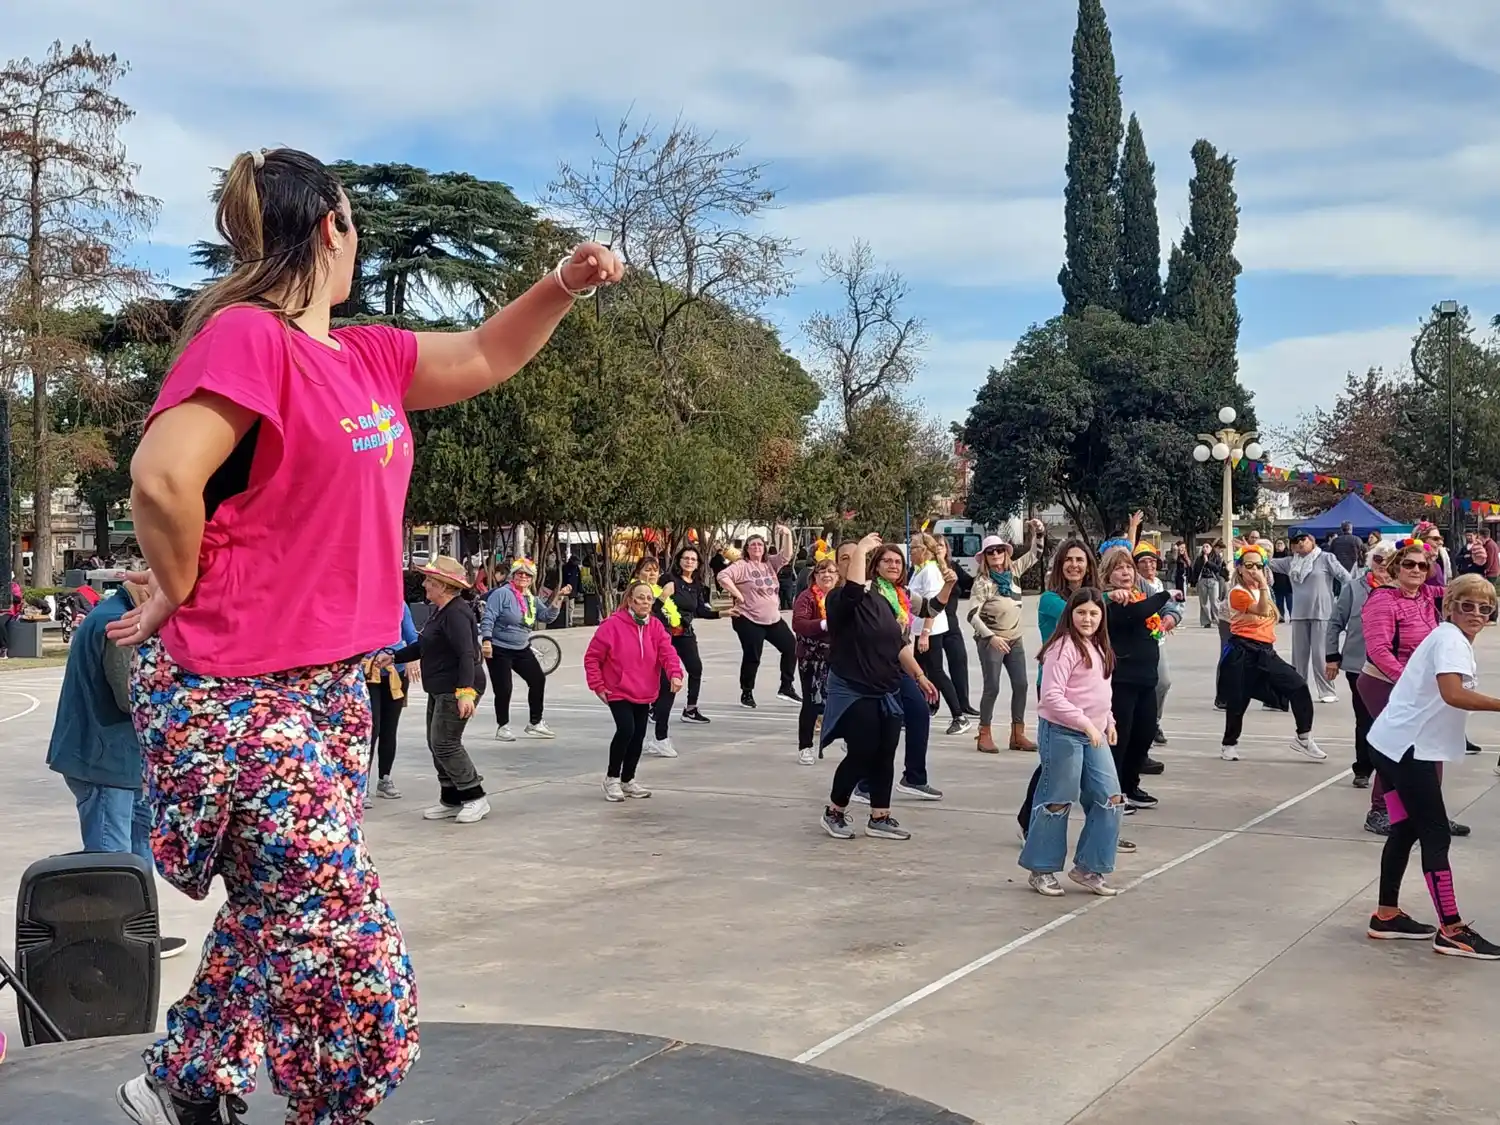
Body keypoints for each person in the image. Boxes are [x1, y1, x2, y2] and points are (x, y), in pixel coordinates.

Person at [108, 146, 623, 1125]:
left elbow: (481, 354)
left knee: (282, 910)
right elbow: (162, 479)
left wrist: (560, 284)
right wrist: (179, 583)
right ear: (334, 227)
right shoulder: (250, 339)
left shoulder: (369, 355)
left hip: (331, 690)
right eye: (354, 229)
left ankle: (180, 1088)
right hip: (237, 695)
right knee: (347, 929)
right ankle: (322, 1097)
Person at [45, 580, 188, 959]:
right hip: (103, 762)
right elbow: (130, 697)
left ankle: (138, 940)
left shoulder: (126, 614)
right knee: (111, 860)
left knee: (139, 854)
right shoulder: (118, 622)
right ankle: (111, 952)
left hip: (127, 762)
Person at [1363, 574, 1500, 959]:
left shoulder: (1446, 637)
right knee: (1435, 833)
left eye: (1485, 607)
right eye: (1466, 605)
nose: (1476, 613)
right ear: (1450, 606)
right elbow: (1453, 694)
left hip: (1387, 744)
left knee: (1405, 829)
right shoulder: (1451, 641)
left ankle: (1386, 915)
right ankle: (1452, 930)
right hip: (1407, 751)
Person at [820, 534, 941, 841]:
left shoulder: (882, 602)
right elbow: (852, 591)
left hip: (885, 687)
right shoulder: (838, 600)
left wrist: (919, 675)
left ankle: (880, 816)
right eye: (845, 558)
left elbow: (897, 644)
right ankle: (834, 810)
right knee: (862, 752)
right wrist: (861, 548)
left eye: (856, 558)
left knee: (885, 752)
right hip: (854, 687)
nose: (852, 562)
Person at [1020, 587, 1125, 897]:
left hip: (1094, 732)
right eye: (1081, 613)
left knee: (1111, 798)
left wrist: (1108, 722)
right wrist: (1084, 724)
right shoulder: (1062, 647)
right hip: (1062, 732)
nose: (1088, 619)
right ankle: (1042, 868)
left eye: (1094, 613)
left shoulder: (1100, 645)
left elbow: (1099, 692)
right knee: (1057, 799)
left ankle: (1089, 867)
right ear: (1070, 615)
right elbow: (1052, 697)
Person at [847, 542, 957, 806]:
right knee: (880, 729)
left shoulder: (902, 594)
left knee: (919, 711)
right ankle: (863, 784)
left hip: (898, 666)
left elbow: (930, 609)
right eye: (887, 561)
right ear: (876, 565)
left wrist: (948, 585)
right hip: (872, 671)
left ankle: (914, 778)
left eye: (897, 561)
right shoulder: (869, 592)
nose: (893, 565)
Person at [386, 557, 489, 824]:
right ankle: (452, 798)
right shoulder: (441, 611)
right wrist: (393, 657)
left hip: (457, 686)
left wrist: (466, 692)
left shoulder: (456, 613)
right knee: (436, 744)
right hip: (440, 686)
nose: (424, 584)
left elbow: (467, 654)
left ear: (443, 586)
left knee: (446, 743)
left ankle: (475, 797)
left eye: (430, 581)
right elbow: (424, 645)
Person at [1217, 545, 1324, 762]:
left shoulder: (1263, 590)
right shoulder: (1237, 592)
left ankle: (1303, 737)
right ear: (1239, 569)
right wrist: (1264, 584)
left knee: (1298, 685)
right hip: (1243, 650)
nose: (1254, 569)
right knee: (1239, 701)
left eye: (1259, 565)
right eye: (1249, 565)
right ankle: (1229, 743)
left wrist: (1264, 585)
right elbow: (1262, 610)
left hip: (1266, 651)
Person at [585, 580, 684, 802]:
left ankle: (628, 779)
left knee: (638, 735)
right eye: (640, 597)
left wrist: (675, 674)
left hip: (645, 689)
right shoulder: (612, 625)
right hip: (617, 689)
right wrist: (597, 685)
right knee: (626, 730)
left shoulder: (656, 626)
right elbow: (592, 657)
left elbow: (667, 653)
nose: (645, 602)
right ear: (630, 600)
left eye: (649, 598)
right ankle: (612, 778)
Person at [1098, 547, 1172, 809]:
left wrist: (1170, 612)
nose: (1126, 572)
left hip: (1146, 678)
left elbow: (1156, 615)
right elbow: (1137, 613)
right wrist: (1166, 595)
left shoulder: (1139, 595)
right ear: (1108, 573)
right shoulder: (1111, 601)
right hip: (1123, 680)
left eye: (1129, 567)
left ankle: (1130, 785)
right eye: (1119, 568)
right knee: (1121, 737)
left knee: (1144, 733)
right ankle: (1113, 791)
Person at [967, 522, 1045, 754]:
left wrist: (1038, 532)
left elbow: (1036, 554)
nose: (996, 555)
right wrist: (991, 637)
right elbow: (972, 615)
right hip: (992, 640)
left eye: (999, 550)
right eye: (990, 552)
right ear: (984, 558)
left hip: (1015, 638)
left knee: (1021, 684)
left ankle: (1017, 734)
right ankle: (984, 733)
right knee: (992, 687)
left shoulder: (1014, 573)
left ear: (1005, 552)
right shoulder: (983, 583)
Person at [1325, 543, 1395, 791]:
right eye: (1378, 558)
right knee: (1364, 718)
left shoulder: (1403, 590)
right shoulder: (1354, 588)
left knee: (1390, 719)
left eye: (1390, 559)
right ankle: (1363, 768)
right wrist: (1332, 657)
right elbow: (1335, 623)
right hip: (1359, 665)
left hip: (1394, 667)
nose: (1384, 564)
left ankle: (1389, 767)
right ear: (1369, 560)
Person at [481, 558, 568, 742]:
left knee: (537, 679)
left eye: (527, 575)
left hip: (521, 647)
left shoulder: (531, 598)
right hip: (499, 647)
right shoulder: (502, 594)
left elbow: (546, 617)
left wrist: (558, 599)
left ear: (532, 579)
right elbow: (489, 617)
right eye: (520, 573)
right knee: (504, 688)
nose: (523, 577)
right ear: (513, 576)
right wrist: (487, 640)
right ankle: (502, 726)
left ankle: (535, 723)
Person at [647, 545, 722, 755]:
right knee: (667, 679)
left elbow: (699, 609)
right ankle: (655, 711)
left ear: (697, 564)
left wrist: (721, 614)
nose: (689, 562)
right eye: (686, 558)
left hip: (685, 633)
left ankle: (690, 708)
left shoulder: (696, 584)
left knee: (695, 668)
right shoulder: (669, 580)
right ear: (679, 561)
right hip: (665, 633)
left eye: (693, 559)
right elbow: (656, 607)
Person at [716, 523, 800, 708]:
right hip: (748, 618)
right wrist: (737, 594)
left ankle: (786, 686)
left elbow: (786, 555)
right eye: (752, 545)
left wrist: (786, 534)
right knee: (753, 655)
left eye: (760, 545)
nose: (756, 548)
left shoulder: (770, 564)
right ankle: (747, 692)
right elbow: (723, 576)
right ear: (746, 548)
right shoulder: (741, 565)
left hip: (772, 618)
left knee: (791, 647)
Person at [1268, 530, 1350, 703]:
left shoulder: (1326, 558)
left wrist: (1345, 599)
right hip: (1299, 613)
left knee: (1320, 654)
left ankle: (1327, 690)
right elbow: (1268, 562)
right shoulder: (1291, 562)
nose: (1300, 543)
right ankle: (1298, 689)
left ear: (1312, 541)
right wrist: (1253, 549)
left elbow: (1345, 577)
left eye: (1303, 540)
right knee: (1299, 656)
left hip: (1322, 612)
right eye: (1295, 541)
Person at [910, 533, 971, 736]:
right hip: (920, 629)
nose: (911, 552)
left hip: (931, 630)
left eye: (914, 548)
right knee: (918, 671)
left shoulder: (930, 571)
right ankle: (923, 708)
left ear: (925, 551)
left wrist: (926, 633)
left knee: (935, 671)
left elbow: (934, 605)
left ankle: (959, 716)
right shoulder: (918, 570)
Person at [1132, 542, 1185, 750]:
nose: (1148, 565)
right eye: (1143, 562)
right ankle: (1141, 726)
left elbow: (1168, 606)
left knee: (1163, 682)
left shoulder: (1160, 584)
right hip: (1138, 642)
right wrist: (1133, 529)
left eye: (1152, 561)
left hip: (1157, 639)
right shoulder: (1134, 584)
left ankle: (1153, 722)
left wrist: (1172, 617)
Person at [365, 602, 418, 802]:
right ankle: (362, 784)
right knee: (372, 727)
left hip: (396, 671)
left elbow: (411, 635)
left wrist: (414, 656)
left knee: (390, 727)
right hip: (369, 672)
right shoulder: (362, 599)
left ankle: (384, 779)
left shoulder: (399, 604)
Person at [791, 558, 838, 765]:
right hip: (811, 658)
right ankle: (805, 746)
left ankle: (847, 737)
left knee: (842, 699)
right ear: (814, 576)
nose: (826, 575)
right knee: (812, 702)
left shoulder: (840, 597)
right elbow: (799, 624)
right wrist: (825, 624)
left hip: (838, 657)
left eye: (831, 572)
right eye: (822, 572)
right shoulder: (807, 597)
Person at [930, 534, 980, 720]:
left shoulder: (953, 567)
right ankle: (932, 703)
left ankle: (964, 703)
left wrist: (985, 573)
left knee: (959, 662)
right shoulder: (927, 568)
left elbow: (971, 583)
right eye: (935, 545)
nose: (939, 548)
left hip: (951, 623)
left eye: (942, 545)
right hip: (932, 623)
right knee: (933, 668)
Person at [1192, 540, 1227, 627]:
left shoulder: (1216, 557)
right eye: (1203, 547)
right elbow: (1196, 570)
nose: (1205, 548)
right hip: (1202, 580)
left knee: (1214, 601)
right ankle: (1206, 621)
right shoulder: (1199, 558)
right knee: (1203, 603)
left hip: (1213, 580)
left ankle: (1218, 620)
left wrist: (1208, 562)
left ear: (1211, 548)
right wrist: (1193, 582)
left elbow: (1217, 568)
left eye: (1207, 546)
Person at [1270, 538, 1293, 619]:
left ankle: (1292, 617)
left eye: (1281, 543)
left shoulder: (1288, 556)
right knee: (1279, 602)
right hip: (1277, 583)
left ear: (1284, 545)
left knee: (1290, 602)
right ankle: (1280, 617)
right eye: (1277, 543)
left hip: (1288, 584)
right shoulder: (1272, 556)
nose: (1279, 545)